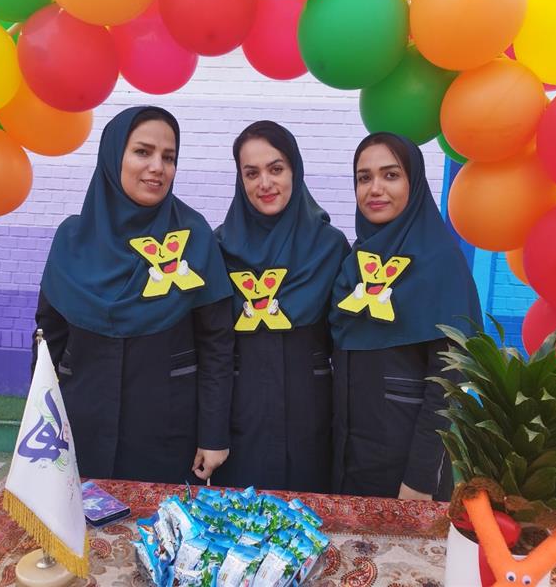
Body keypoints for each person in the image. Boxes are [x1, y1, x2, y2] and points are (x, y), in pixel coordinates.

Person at [35, 106, 234, 484]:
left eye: (169, 157)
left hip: (167, 434)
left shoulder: (193, 237)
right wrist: (39, 421)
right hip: (79, 429)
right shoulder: (71, 240)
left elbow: (217, 346)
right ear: (113, 157)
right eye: (143, 152)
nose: (157, 167)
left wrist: (213, 435)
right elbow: (47, 343)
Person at [330, 132, 482, 501]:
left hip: (407, 471)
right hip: (349, 459)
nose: (375, 189)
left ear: (414, 184)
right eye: (364, 178)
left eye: (391, 175)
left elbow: (448, 384)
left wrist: (420, 479)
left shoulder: (440, 262)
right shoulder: (356, 264)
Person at [213, 121, 350, 493]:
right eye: (251, 173)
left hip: (311, 421)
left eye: (276, 169)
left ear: (295, 171)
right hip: (240, 424)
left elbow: (345, 343)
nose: (265, 183)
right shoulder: (219, 248)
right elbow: (210, 345)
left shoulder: (330, 247)